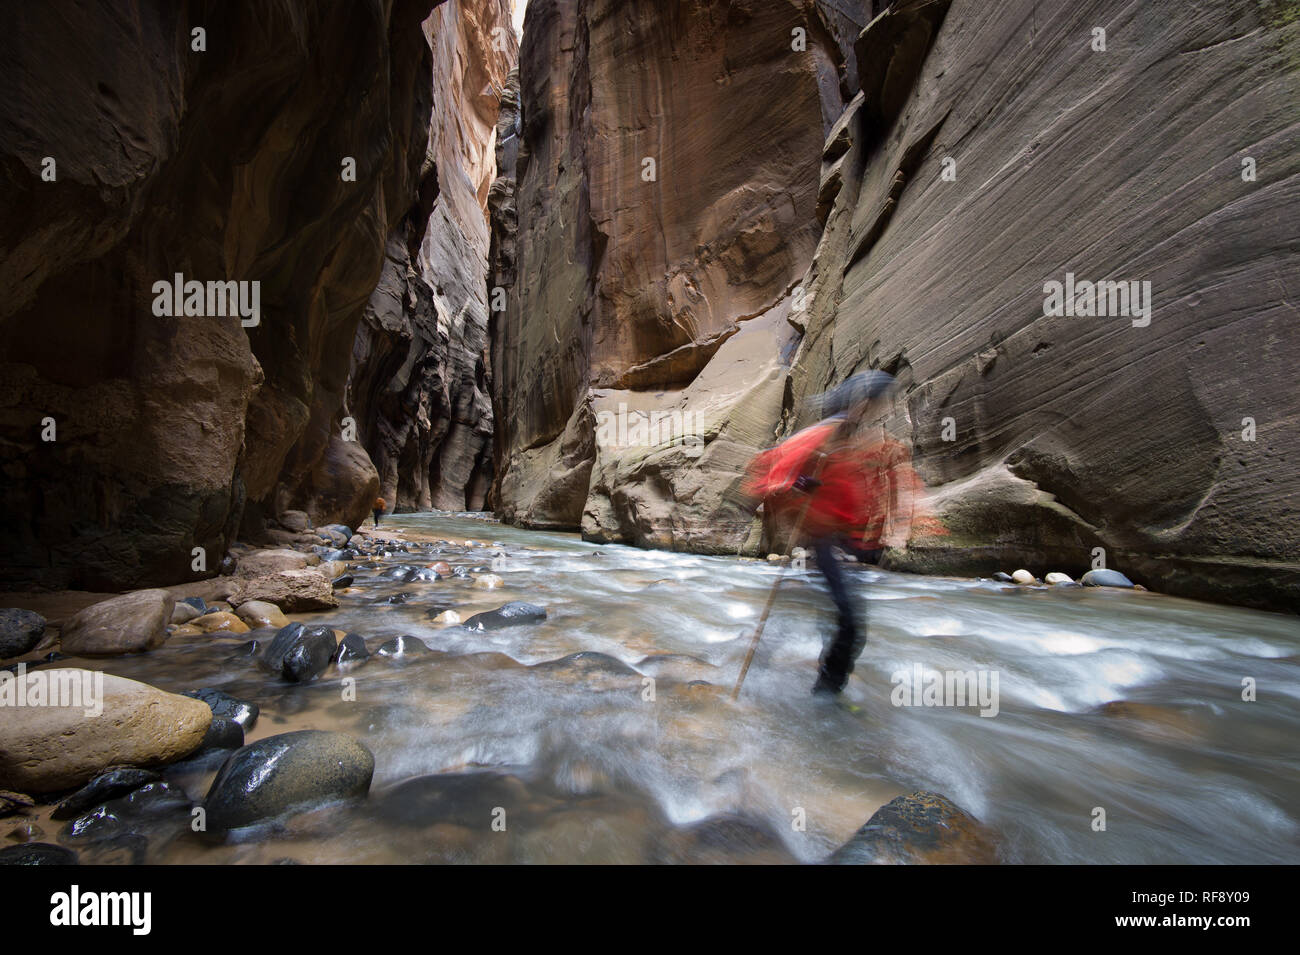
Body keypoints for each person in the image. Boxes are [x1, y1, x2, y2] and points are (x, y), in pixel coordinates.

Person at [742, 371, 926, 695]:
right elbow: (769, 471)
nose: (877, 411)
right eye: (875, 403)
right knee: (851, 624)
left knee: (839, 618)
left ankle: (818, 687)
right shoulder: (823, 437)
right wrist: (799, 484)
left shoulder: (854, 442)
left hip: (847, 543)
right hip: (824, 541)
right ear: (861, 402)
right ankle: (825, 699)